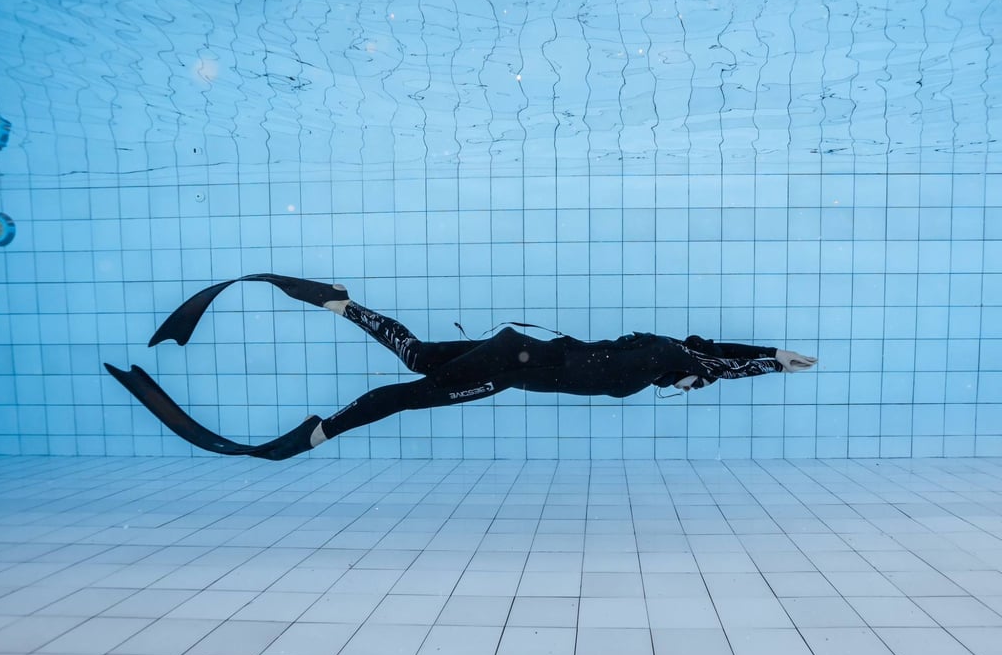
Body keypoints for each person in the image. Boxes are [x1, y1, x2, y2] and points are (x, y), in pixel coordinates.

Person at [105, 274, 817, 460]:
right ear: (681, 370)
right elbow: (703, 358)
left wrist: (772, 362)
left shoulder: (662, 353)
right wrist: (751, 363)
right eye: (693, 383)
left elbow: (705, 353)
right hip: (513, 365)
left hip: (515, 349)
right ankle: (323, 431)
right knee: (409, 395)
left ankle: (340, 305)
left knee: (416, 360)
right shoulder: (654, 365)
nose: (693, 388)